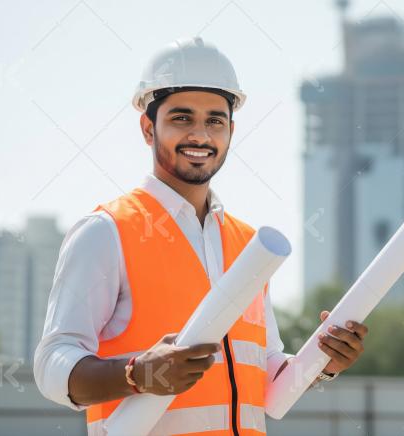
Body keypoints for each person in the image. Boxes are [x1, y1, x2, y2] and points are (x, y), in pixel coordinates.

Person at [33, 34, 369, 436]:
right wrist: (136, 375)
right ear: (147, 127)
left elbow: (263, 372)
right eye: (181, 118)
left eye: (215, 120)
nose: (201, 135)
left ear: (230, 129)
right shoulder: (107, 232)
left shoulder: (247, 245)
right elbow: (52, 363)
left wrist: (321, 363)